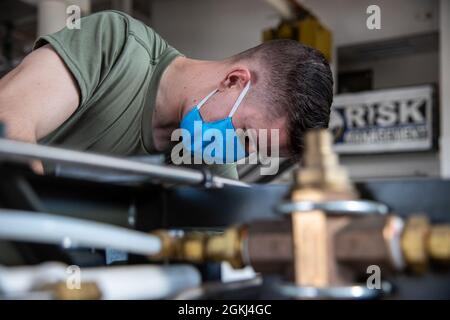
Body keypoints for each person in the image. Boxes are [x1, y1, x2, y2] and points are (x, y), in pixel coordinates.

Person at [0, 10, 333, 180]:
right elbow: (9, 123)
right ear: (233, 81)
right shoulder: (118, 46)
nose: (235, 154)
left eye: (252, 151)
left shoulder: (209, 168)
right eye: (245, 136)